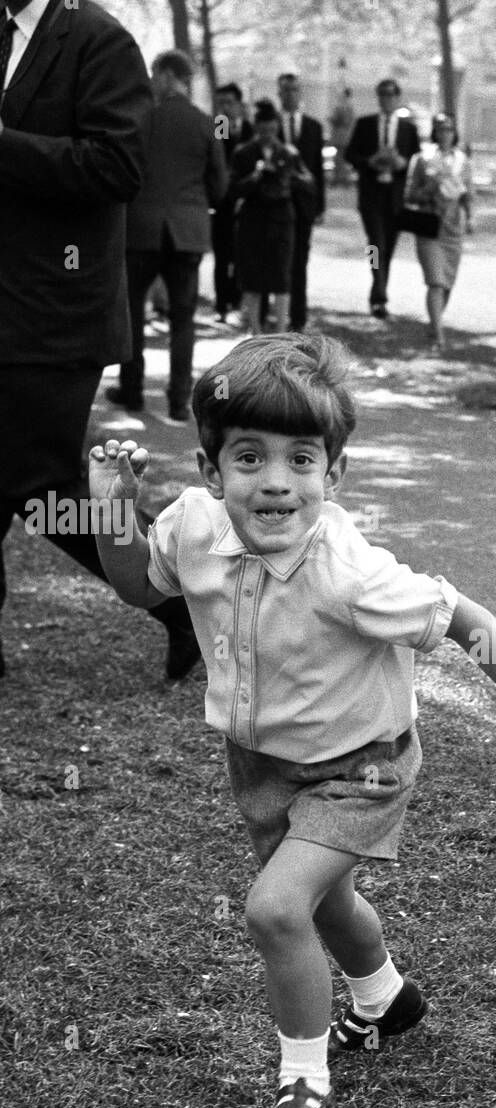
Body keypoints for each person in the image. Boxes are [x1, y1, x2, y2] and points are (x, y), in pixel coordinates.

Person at [87, 333, 496, 1108]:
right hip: (262, 763)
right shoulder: (189, 526)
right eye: (249, 458)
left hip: (364, 766)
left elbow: (467, 620)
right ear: (212, 474)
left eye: (302, 460)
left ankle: (304, 1084)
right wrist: (112, 506)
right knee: (325, 904)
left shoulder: (351, 571)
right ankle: (386, 997)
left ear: (335, 474)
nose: (277, 482)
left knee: (276, 907)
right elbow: (134, 585)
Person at [0, 0, 198, 682]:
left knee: (42, 484)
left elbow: (116, 166)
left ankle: (183, 600)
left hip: (57, 314)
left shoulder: (98, 40)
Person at [107, 50, 227, 424]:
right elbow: (220, 186)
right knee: (183, 320)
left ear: (165, 75)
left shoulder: (141, 120)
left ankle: (132, 390)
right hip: (187, 233)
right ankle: (179, 402)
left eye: (154, 75)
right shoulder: (207, 123)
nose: (151, 82)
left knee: (131, 314)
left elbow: (121, 172)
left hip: (141, 230)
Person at [231, 99, 314, 336]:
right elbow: (233, 189)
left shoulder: (289, 153)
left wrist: (289, 177)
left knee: (281, 277)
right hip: (253, 220)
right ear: (256, 128)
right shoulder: (244, 153)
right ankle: (255, 330)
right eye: (263, 130)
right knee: (253, 279)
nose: (268, 135)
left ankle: (280, 330)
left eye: (272, 130)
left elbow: (309, 183)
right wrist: (256, 175)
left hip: (281, 220)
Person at [345, 78, 421, 319]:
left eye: (390, 95)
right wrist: (371, 161)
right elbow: (350, 154)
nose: (386, 99)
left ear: (398, 98)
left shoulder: (409, 130)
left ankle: (379, 293)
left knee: (387, 247)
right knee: (375, 244)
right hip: (371, 196)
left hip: (396, 198)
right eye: (382, 95)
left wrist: (403, 164)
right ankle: (379, 294)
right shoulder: (365, 124)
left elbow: (416, 162)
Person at [404, 112, 474, 351]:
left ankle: (434, 323)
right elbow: (409, 195)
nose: (445, 134)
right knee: (435, 281)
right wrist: (429, 189)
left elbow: (468, 194)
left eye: (449, 130)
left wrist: (471, 216)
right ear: (435, 132)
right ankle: (438, 335)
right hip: (429, 225)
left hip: (453, 227)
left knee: (447, 283)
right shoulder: (422, 159)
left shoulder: (463, 161)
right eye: (441, 129)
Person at [276, 72, 326, 331]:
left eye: (294, 89)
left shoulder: (313, 127)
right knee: (275, 259)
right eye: (285, 90)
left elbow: (317, 170)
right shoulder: (270, 124)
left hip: (304, 205)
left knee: (299, 261)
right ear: (279, 93)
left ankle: (298, 316)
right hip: (274, 205)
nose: (290, 94)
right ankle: (272, 313)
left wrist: (320, 206)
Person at [212, 82, 253, 324]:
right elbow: (217, 159)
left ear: (239, 103)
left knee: (242, 255)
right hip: (223, 202)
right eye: (221, 103)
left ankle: (238, 300)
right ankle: (221, 304)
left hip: (246, 202)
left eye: (229, 102)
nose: (225, 108)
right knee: (222, 254)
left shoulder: (251, 129)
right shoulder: (220, 127)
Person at [328, 85, 355, 188]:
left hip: (341, 136)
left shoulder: (343, 106)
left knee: (340, 159)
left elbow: (344, 121)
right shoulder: (349, 106)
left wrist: (332, 119)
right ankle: (341, 179)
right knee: (340, 159)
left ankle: (341, 179)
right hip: (345, 136)